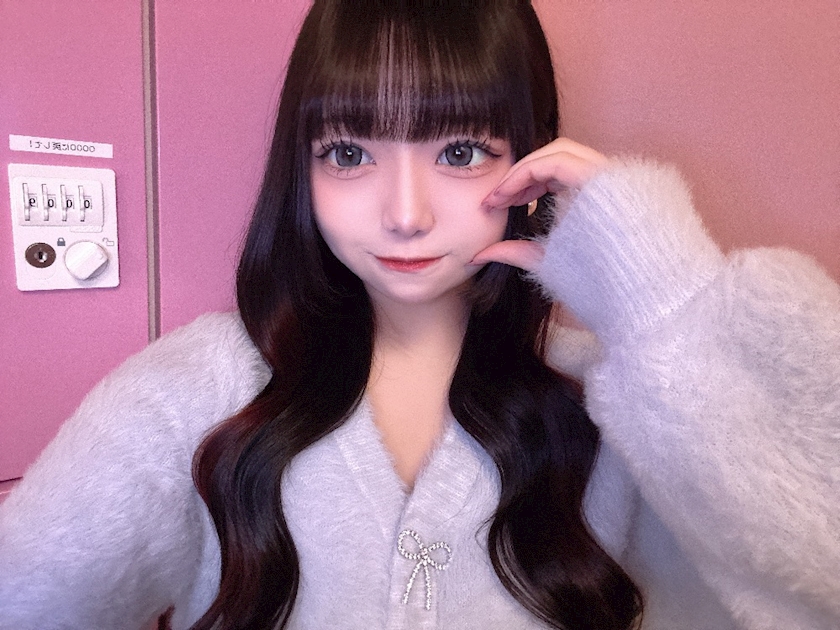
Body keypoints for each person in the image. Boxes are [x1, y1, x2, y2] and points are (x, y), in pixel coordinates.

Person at [1, 1, 838, 629]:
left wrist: (662, 296)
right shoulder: (195, 392)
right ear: (303, 167)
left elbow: (819, 573)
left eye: (461, 152)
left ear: (533, 160)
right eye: (350, 153)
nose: (406, 214)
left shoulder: (622, 394)